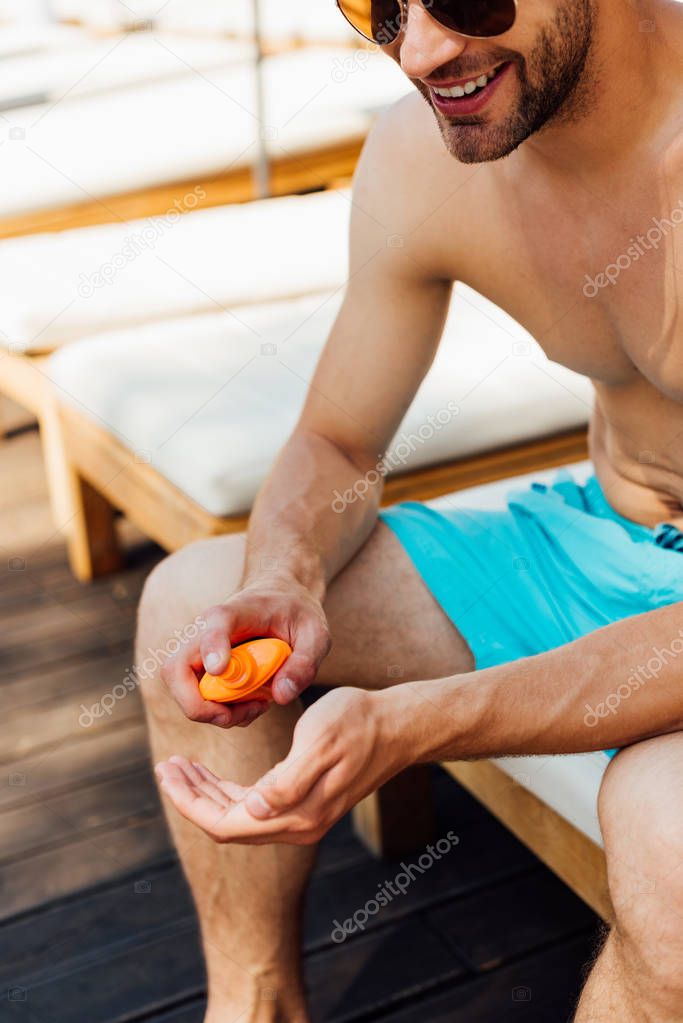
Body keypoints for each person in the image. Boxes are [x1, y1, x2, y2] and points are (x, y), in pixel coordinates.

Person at [138, 1, 683, 1019]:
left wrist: (421, 724)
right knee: (192, 602)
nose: (421, 50)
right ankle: (254, 1005)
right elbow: (336, 443)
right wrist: (281, 578)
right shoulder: (422, 160)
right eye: (376, 10)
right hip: (588, 540)